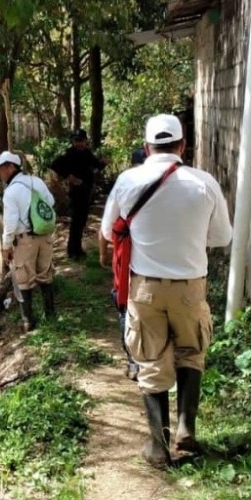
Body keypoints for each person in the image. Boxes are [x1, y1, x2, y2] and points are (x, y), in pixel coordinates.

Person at [99, 114, 232, 468]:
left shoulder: (128, 181)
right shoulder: (203, 183)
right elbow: (222, 237)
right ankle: (186, 432)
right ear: (183, 146)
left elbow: (110, 233)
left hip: (146, 288)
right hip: (190, 286)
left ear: (146, 148)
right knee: (191, 352)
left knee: (150, 359)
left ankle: (158, 446)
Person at [0, 151, 56, 332]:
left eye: (1, 169)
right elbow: (51, 202)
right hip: (45, 235)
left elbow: (10, 225)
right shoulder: (37, 181)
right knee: (45, 274)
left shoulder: (11, 192)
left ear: (11, 167)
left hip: (25, 239)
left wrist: (6, 247)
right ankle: (50, 315)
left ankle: (28, 322)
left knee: (24, 279)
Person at [107, 147, 147, 381]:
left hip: (127, 264)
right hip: (160, 265)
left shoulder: (124, 185)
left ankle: (133, 361)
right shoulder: (169, 185)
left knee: (126, 308)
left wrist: (104, 253)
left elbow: (107, 228)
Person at [50, 129, 106, 260]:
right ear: (73, 142)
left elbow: (96, 164)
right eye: (77, 141)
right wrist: (70, 177)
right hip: (76, 193)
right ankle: (72, 251)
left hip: (87, 192)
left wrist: (103, 163)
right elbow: (55, 164)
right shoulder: (69, 154)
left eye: (81, 141)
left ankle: (78, 249)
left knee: (81, 222)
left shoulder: (87, 153)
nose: (79, 144)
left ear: (86, 141)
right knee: (76, 223)